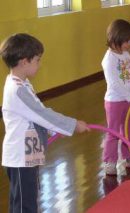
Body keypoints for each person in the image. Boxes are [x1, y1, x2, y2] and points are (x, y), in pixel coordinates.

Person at [0, 33, 90, 213]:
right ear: (24, 62)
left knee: (26, 199)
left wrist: (52, 130)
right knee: (25, 205)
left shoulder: (22, 83)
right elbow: (42, 114)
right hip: (20, 158)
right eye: (37, 60)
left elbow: (37, 111)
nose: (40, 65)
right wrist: (72, 125)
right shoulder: (17, 90)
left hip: (28, 153)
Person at [101, 19, 130, 175]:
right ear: (116, 39)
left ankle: (128, 158)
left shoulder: (126, 55)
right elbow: (114, 83)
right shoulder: (109, 60)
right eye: (127, 41)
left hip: (127, 102)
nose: (129, 44)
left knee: (128, 130)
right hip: (114, 102)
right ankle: (110, 161)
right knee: (113, 132)